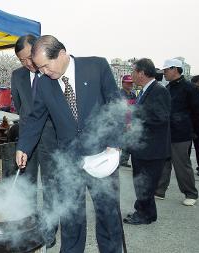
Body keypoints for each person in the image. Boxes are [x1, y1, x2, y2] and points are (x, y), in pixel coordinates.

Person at [16, 35, 123, 253]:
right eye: (39, 68)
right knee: (71, 217)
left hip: (102, 154)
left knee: (107, 214)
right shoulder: (45, 83)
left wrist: (114, 143)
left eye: (46, 65)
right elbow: (36, 118)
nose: (43, 72)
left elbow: (116, 105)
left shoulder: (96, 66)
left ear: (62, 54)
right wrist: (23, 147)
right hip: (68, 159)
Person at [10, 34, 58, 248]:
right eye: (22, 60)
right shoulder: (17, 76)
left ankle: (49, 229)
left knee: (51, 185)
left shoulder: (51, 72)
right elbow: (21, 107)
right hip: (27, 139)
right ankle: (28, 226)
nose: (28, 63)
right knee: (26, 184)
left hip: (51, 138)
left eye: (30, 57)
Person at [123, 58, 171, 225]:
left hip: (152, 149)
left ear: (141, 73)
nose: (131, 75)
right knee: (142, 182)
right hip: (142, 147)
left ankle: (143, 214)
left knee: (145, 184)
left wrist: (136, 121)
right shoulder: (145, 91)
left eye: (133, 72)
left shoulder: (159, 91)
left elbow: (161, 118)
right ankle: (147, 213)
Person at [155, 58, 199, 206]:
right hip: (167, 132)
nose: (164, 73)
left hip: (182, 133)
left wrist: (192, 131)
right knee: (164, 162)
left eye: (166, 70)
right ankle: (159, 191)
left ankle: (191, 193)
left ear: (175, 69)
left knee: (181, 164)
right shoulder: (167, 88)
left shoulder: (190, 89)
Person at [119, 74, 137, 167]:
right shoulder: (119, 95)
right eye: (128, 83)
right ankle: (114, 161)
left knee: (128, 143)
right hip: (121, 123)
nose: (130, 85)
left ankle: (123, 160)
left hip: (131, 123)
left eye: (131, 83)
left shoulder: (133, 95)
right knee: (119, 143)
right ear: (123, 83)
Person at [190, 75, 199, 176]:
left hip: (197, 125)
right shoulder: (194, 93)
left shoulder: (197, 93)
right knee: (189, 148)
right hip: (192, 125)